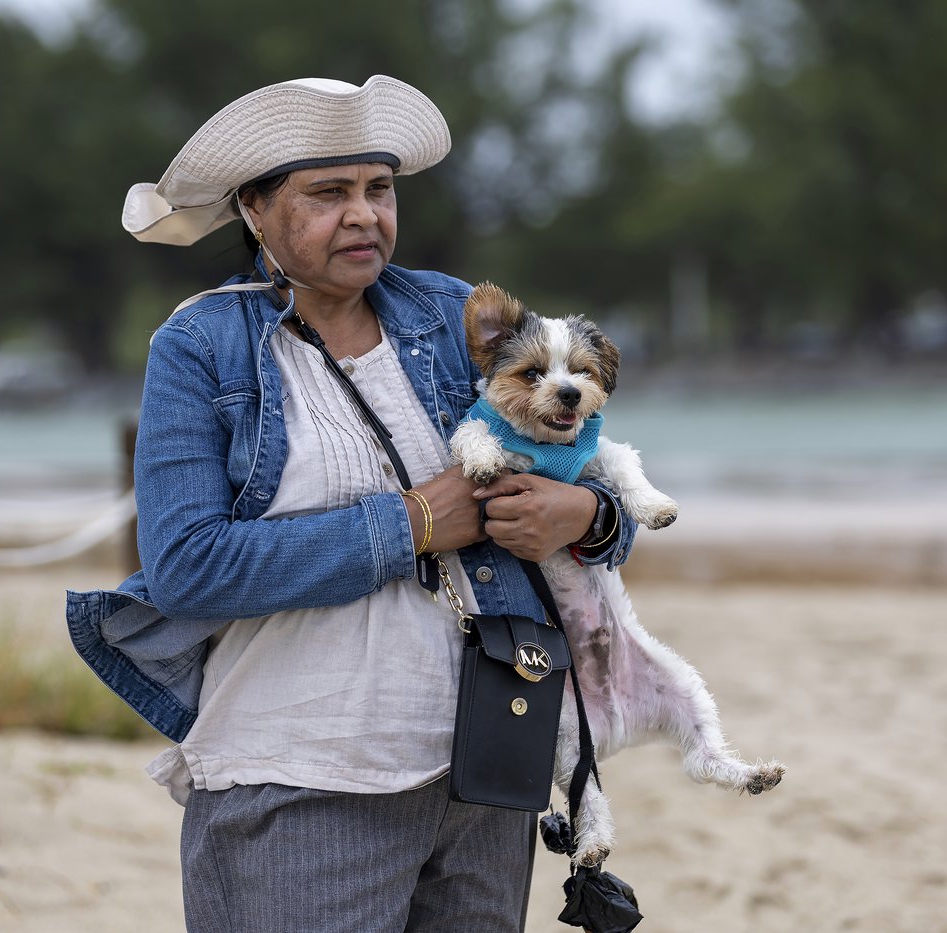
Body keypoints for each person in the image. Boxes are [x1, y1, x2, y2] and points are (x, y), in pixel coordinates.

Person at [66, 75, 636, 933]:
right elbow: (186, 568)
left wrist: (588, 520)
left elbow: (591, 466)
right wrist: (409, 522)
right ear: (255, 211)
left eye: (380, 189)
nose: (365, 214)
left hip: (486, 765)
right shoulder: (198, 345)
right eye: (329, 194)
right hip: (299, 772)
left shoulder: (453, 313)